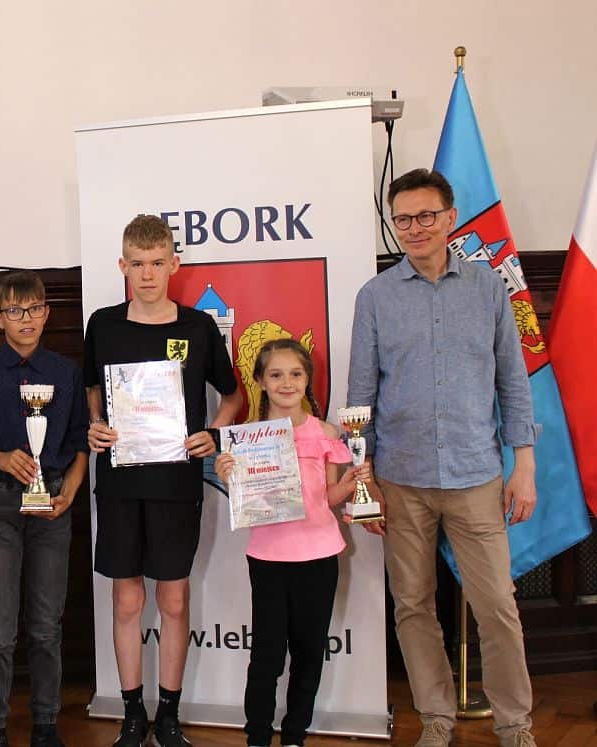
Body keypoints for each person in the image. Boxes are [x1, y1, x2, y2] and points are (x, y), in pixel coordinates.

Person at [347, 168, 539, 747]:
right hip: (400, 480)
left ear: (450, 218)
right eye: (403, 219)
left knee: (497, 606)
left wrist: (524, 465)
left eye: (426, 215)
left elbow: (514, 382)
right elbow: (360, 397)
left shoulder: (488, 289)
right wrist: (363, 485)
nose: (415, 228)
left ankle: (515, 724)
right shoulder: (375, 297)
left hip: (476, 475)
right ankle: (435, 717)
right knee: (412, 604)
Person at [83, 214, 243, 747]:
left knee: (173, 601)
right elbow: (92, 389)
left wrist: (213, 433)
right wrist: (96, 425)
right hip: (120, 482)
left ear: (174, 264)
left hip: (176, 483)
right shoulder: (103, 325)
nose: (147, 274)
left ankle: (169, 715)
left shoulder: (198, 327)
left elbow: (233, 395)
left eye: (157, 263)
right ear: (122, 266)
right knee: (127, 602)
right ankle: (133, 714)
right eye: (138, 264)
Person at [0, 270, 89, 747]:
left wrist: (70, 492)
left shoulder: (66, 373)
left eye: (34, 309)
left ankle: (46, 723)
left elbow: (80, 443)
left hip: (54, 506)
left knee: (47, 625)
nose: (25, 318)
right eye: (14, 310)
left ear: (47, 313)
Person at [214, 339, 366, 747]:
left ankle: (295, 735)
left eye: (296, 374)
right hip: (268, 557)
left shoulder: (327, 433)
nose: (287, 383)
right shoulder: (244, 439)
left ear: (307, 380)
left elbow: (329, 498)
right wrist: (229, 474)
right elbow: (245, 499)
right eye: (276, 374)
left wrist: (353, 483)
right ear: (261, 381)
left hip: (319, 556)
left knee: (309, 652)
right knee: (266, 655)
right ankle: (257, 737)